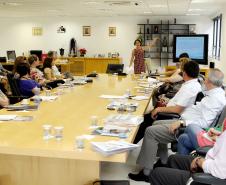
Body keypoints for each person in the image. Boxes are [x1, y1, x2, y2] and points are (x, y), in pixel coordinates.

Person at [128, 68, 226, 182]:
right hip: (187, 121)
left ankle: (146, 172)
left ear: (210, 81)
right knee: (155, 124)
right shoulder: (213, 94)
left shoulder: (214, 99)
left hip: (188, 126)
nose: (203, 81)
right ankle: (163, 161)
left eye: (206, 79)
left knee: (150, 131)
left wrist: (182, 122)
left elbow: (204, 123)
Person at [133, 61, 201, 144]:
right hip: (172, 112)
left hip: (172, 116)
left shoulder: (189, 88)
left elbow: (177, 110)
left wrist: (159, 109)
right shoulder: (193, 84)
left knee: (144, 122)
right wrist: (167, 102)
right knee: (145, 117)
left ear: (185, 73)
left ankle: (130, 143)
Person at [149, 130, 226, 185]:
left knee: (156, 173)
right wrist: (220, 137)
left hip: (214, 177)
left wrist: (199, 161)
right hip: (212, 162)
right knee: (172, 159)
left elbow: (220, 171)